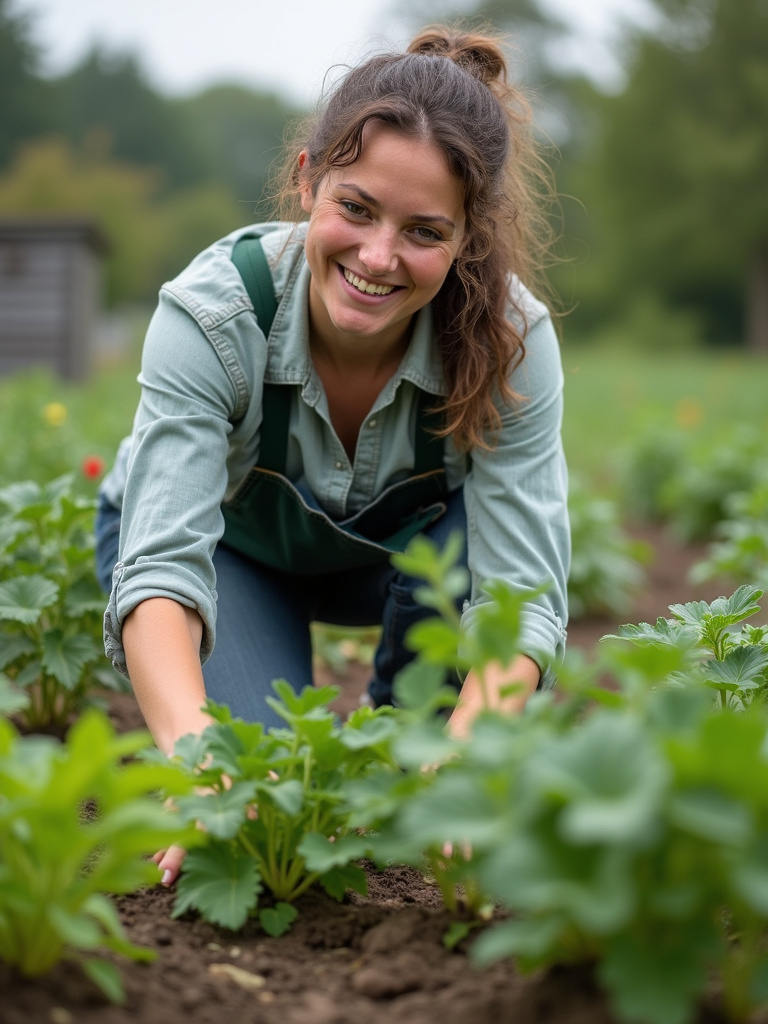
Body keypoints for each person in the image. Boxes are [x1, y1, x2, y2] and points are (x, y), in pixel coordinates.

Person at [96, 26, 570, 884]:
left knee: (411, 772)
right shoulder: (213, 313)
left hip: (393, 563)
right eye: (355, 208)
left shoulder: (510, 341)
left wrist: (465, 752)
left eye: (424, 230)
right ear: (309, 178)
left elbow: (521, 596)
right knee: (268, 792)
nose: (379, 257)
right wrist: (202, 764)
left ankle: (404, 746)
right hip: (222, 560)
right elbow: (162, 564)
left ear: (466, 237)